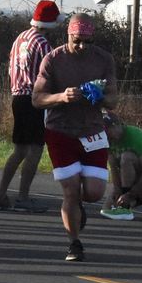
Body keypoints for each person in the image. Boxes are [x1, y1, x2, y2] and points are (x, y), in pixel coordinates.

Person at [31, 13, 118, 262]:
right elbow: (37, 99)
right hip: (60, 131)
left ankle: (77, 209)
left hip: (92, 131)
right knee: (70, 190)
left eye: (87, 42)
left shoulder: (104, 59)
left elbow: (113, 100)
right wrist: (61, 97)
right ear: (68, 35)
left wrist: (99, 96)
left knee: (93, 192)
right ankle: (74, 243)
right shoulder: (53, 59)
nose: (81, 46)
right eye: (77, 40)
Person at [0, 0, 63, 212]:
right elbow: (51, 73)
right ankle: (23, 197)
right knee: (35, 148)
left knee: (19, 149)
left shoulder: (20, 38)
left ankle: (1, 194)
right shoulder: (43, 44)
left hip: (17, 97)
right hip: (34, 99)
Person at [100, 120, 142, 221]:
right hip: (132, 176)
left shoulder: (135, 135)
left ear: (117, 125)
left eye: (107, 132)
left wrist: (129, 194)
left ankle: (125, 207)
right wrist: (117, 190)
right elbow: (114, 168)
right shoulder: (109, 141)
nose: (108, 137)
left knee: (126, 157)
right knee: (106, 208)